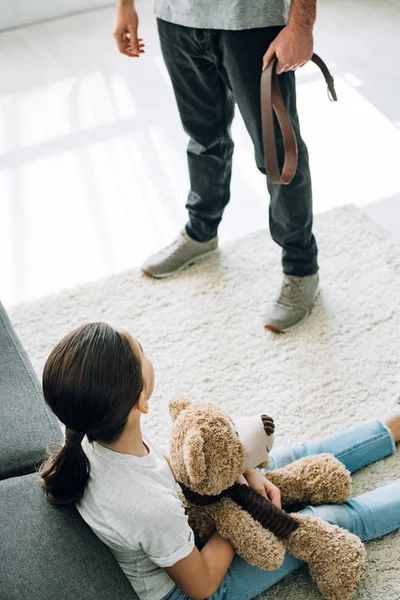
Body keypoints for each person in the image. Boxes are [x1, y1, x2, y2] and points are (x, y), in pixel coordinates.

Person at [40, 322, 400, 600]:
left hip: (189, 513)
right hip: (190, 583)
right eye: (143, 352)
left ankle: (391, 426)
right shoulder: (147, 507)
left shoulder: (96, 431)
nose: (149, 356)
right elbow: (203, 584)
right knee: (321, 521)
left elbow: (169, 464)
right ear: (140, 402)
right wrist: (241, 511)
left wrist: (243, 476)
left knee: (293, 459)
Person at [113, 0, 321, 332]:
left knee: (278, 155)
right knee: (202, 137)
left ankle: (301, 268)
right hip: (175, 17)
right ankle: (201, 232)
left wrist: (300, 26)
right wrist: (125, 5)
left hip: (252, 21)